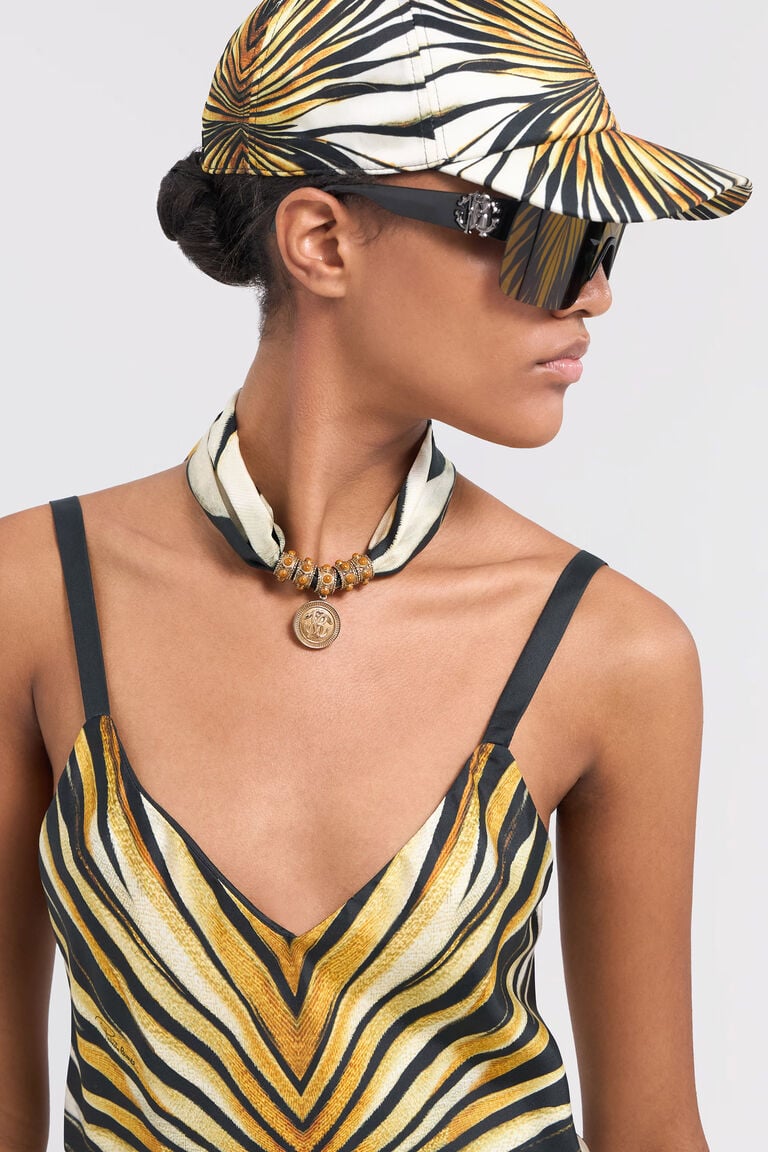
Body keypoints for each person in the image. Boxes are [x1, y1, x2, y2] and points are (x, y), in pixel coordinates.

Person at [0, 1, 752, 1150]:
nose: (594, 292)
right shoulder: (34, 598)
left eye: (604, 242)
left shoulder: (614, 652)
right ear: (322, 241)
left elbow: (653, 1134)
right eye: (548, 232)